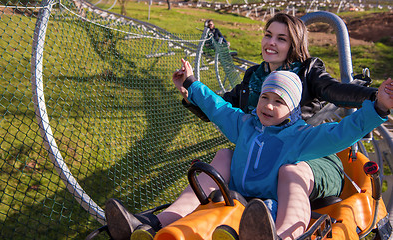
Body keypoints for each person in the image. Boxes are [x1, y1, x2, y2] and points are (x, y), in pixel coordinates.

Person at [104, 13, 393, 240]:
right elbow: (221, 108)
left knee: (291, 171)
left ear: (293, 44)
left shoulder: (306, 73)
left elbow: (337, 101)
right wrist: (191, 88)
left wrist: (376, 100)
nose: (271, 42)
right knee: (223, 156)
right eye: (268, 35)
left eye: (281, 38)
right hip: (258, 154)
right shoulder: (254, 82)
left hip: (306, 155)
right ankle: (158, 222)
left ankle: (286, 234)